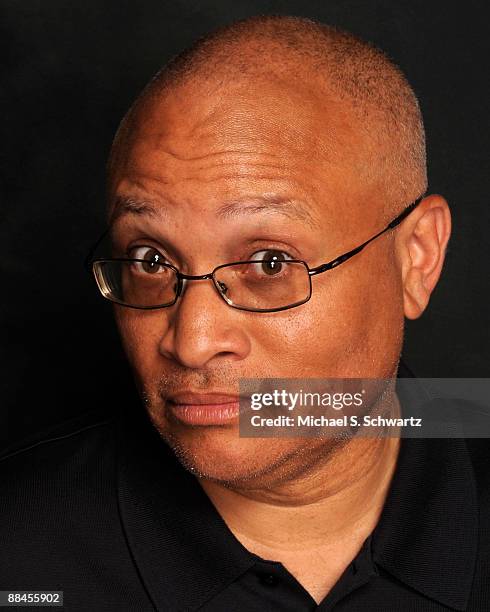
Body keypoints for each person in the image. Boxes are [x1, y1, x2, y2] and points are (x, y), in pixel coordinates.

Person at [1, 15, 488, 612]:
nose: (192, 340)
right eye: (151, 259)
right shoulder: (19, 551)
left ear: (416, 258)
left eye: (268, 262)